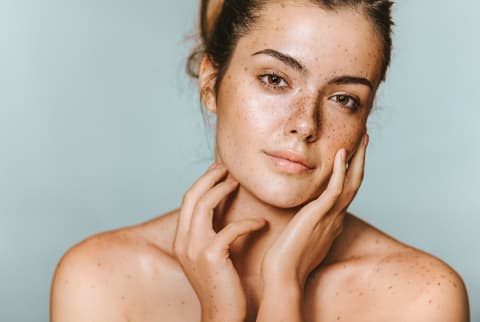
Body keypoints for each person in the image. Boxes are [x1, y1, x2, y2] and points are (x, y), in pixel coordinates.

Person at [50, 1, 470, 321]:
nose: (305, 124)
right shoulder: (98, 279)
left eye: (344, 99)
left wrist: (283, 290)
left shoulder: (422, 297)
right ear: (212, 82)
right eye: (275, 79)